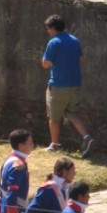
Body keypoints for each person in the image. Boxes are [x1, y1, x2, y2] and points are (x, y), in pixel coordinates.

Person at [41, 14, 93, 158]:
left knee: (54, 116)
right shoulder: (74, 40)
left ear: (52, 28)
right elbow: (81, 60)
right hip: (75, 85)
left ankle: (54, 145)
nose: (47, 31)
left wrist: (53, 63)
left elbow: (45, 63)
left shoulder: (54, 42)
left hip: (58, 85)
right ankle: (87, 137)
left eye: (47, 28)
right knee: (71, 113)